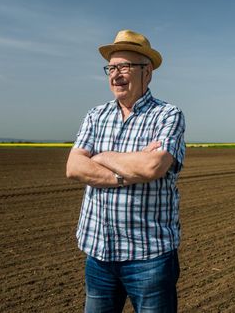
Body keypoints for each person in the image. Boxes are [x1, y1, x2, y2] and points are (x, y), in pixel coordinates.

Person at [66, 29, 186, 313]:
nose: (115, 74)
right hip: (98, 253)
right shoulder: (96, 115)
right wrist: (126, 171)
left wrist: (102, 156)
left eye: (124, 67)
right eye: (111, 67)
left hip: (149, 257)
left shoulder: (167, 115)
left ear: (147, 72)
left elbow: (152, 165)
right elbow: (73, 167)